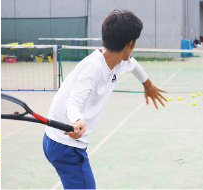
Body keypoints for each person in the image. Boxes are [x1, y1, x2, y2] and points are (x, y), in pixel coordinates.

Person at [43, 10, 166, 189]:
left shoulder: (119, 61)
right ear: (130, 43)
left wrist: (147, 84)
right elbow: (73, 102)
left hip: (56, 140)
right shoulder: (93, 68)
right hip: (66, 145)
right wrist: (77, 119)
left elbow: (134, 65)